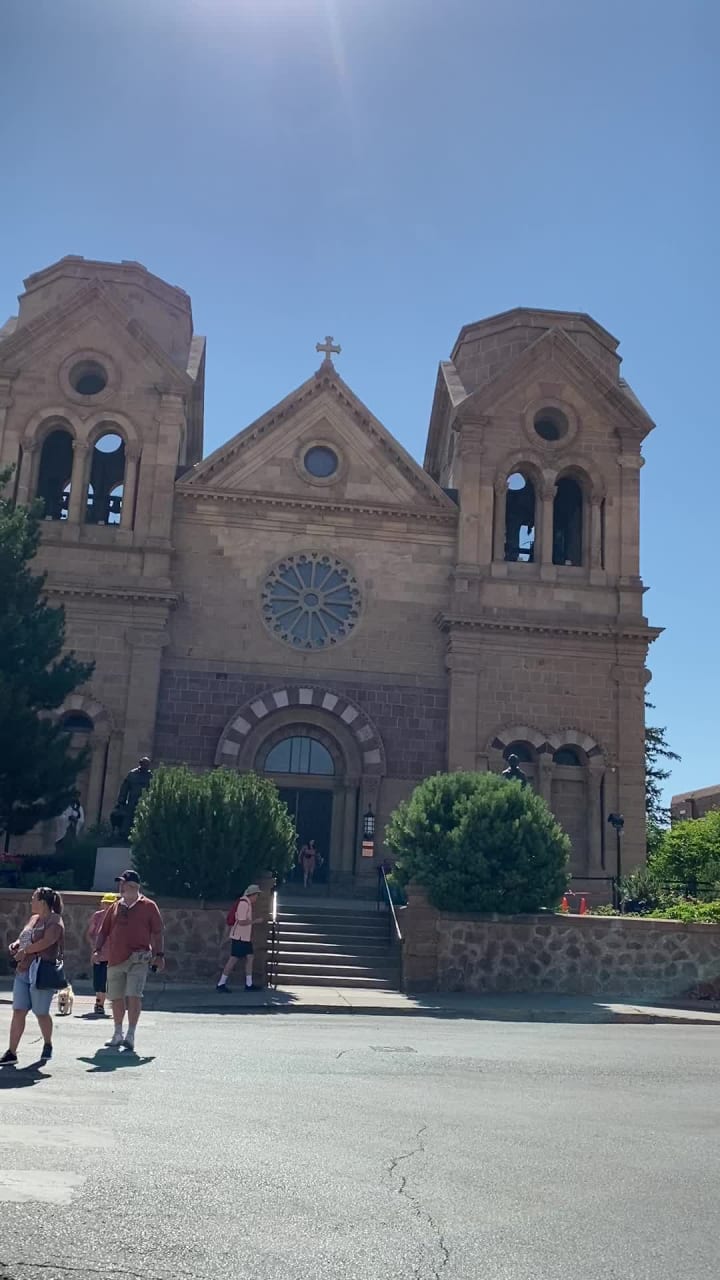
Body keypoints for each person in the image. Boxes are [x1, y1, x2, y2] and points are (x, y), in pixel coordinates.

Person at [93, 870, 164, 1052]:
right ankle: (118, 1033)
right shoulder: (115, 907)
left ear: (134, 886)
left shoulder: (149, 906)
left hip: (138, 958)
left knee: (134, 995)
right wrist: (97, 949)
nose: (120, 887)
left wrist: (159, 955)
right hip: (115, 958)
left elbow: (157, 932)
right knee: (116, 997)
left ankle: (130, 1034)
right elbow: (104, 930)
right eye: (120, 884)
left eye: (124, 883)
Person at [1, 887, 65, 1067]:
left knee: (40, 1012)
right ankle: (12, 1052)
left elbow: (47, 942)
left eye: (33, 898)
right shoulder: (34, 919)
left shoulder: (55, 921)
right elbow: (25, 935)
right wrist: (16, 944)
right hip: (23, 971)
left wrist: (25, 951)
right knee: (18, 1010)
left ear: (43, 902)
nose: (31, 902)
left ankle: (47, 1043)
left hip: (42, 971)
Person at [216, 885, 263, 993]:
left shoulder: (247, 903)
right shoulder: (244, 904)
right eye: (257, 895)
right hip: (239, 937)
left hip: (244, 938)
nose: (257, 897)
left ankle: (249, 983)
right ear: (252, 895)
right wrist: (255, 921)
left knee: (250, 957)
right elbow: (241, 921)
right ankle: (221, 983)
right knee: (233, 959)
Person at [85, 893, 117, 1016]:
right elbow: (90, 934)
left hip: (113, 955)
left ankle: (102, 1004)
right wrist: (94, 948)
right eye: (105, 903)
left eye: (110, 903)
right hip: (99, 953)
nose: (107, 905)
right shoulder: (97, 916)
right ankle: (99, 1003)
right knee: (98, 980)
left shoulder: (118, 917)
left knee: (108, 981)